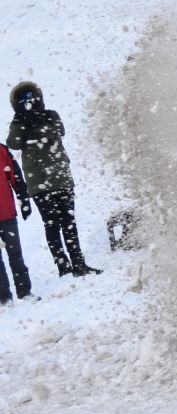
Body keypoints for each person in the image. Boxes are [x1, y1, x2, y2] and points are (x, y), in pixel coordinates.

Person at [7, 83, 101, 277]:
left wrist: (36, 123)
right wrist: (21, 121)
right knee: (51, 224)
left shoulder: (50, 115)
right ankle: (63, 266)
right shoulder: (19, 122)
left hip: (60, 178)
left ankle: (78, 263)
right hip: (39, 182)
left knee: (68, 222)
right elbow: (13, 143)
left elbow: (57, 131)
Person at [0, 143, 34, 305]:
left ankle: (24, 291)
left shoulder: (1, 151)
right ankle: (4, 298)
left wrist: (24, 199)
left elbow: (15, 175)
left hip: (7, 214)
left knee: (16, 255)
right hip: (7, 213)